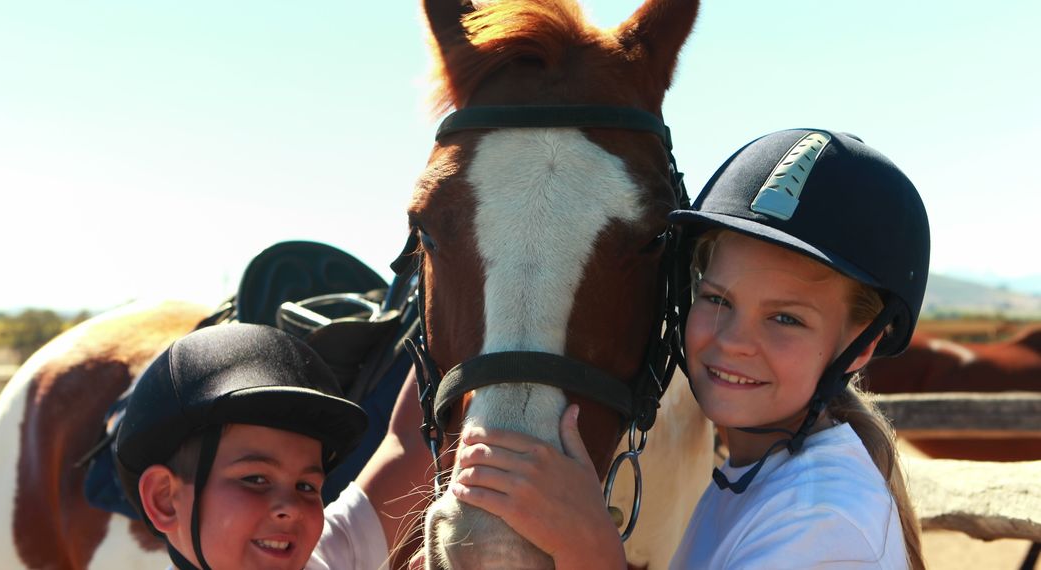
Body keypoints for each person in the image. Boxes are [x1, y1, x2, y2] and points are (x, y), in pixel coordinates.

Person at [448, 128, 929, 569]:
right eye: (718, 299)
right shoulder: (760, 478)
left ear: (863, 344)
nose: (734, 341)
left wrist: (589, 550)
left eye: (786, 318)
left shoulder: (822, 524)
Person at [114, 322, 389, 570]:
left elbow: (405, 445)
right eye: (256, 479)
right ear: (164, 499)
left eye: (306, 486)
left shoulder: (324, 560)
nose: (291, 508)